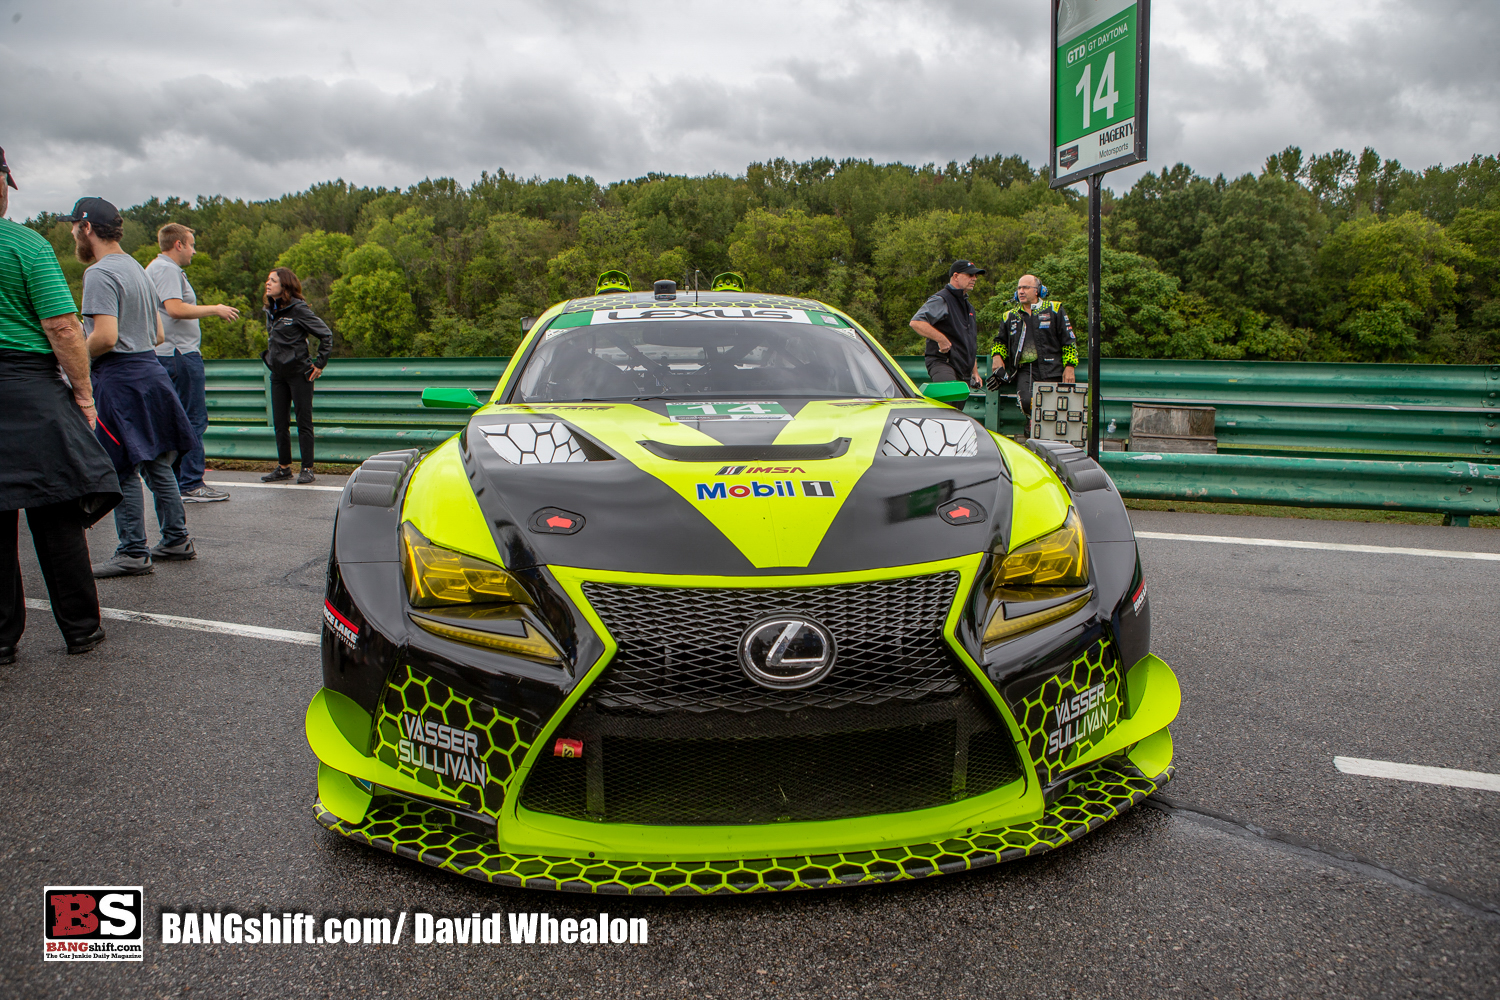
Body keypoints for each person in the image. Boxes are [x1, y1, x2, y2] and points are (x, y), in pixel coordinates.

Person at [0, 150, 120, 662]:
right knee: (56, 511)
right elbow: (63, 327)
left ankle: (2, 640)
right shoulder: (23, 244)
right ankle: (80, 629)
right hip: (27, 387)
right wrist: (84, 394)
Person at [70, 197, 199, 578]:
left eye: (74, 226)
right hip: (151, 372)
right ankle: (176, 539)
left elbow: (105, 337)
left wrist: (74, 355)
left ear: (86, 228)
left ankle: (132, 551)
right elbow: (158, 332)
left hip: (120, 377)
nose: (73, 234)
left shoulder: (99, 273)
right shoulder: (139, 269)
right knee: (158, 462)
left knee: (122, 467)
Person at [147, 223, 240, 503]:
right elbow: (175, 308)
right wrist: (215, 309)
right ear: (178, 245)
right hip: (179, 354)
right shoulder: (166, 269)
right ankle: (191, 483)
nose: (194, 250)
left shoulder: (158, 268)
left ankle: (177, 482)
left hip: (170, 354)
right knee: (193, 419)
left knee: (178, 419)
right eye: (191, 244)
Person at [260, 267, 332, 484]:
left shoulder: (298, 310)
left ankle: (307, 468)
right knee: (280, 423)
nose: (268, 283)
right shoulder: (270, 310)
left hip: (300, 374)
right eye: (268, 279)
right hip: (278, 374)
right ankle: (283, 468)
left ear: (285, 285)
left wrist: (319, 364)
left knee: (304, 422)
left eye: (273, 280)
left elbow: (325, 334)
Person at [988, 274, 1078, 420]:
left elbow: (1069, 341)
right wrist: (996, 357)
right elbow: (999, 342)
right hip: (1025, 370)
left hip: (1052, 369)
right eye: (1019, 288)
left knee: (1054, 409)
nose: (1021, 291)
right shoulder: (1010, 315)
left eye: (1025, 287)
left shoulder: (1054, 309)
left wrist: (1070, 366)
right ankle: (1032, 425)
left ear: (1038, 291)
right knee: (1026, 402)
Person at [909, 260, 984, 407]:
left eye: (975, 275)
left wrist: (975, 371)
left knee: (956, 411)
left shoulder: (969, 307)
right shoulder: (941, 299)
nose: (974, 278)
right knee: (946, 401)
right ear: (956, 276)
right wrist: (941, 339)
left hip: (964, 368)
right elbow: (916, 322)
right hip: (943, 362)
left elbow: (969, 342)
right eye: (970, 275)